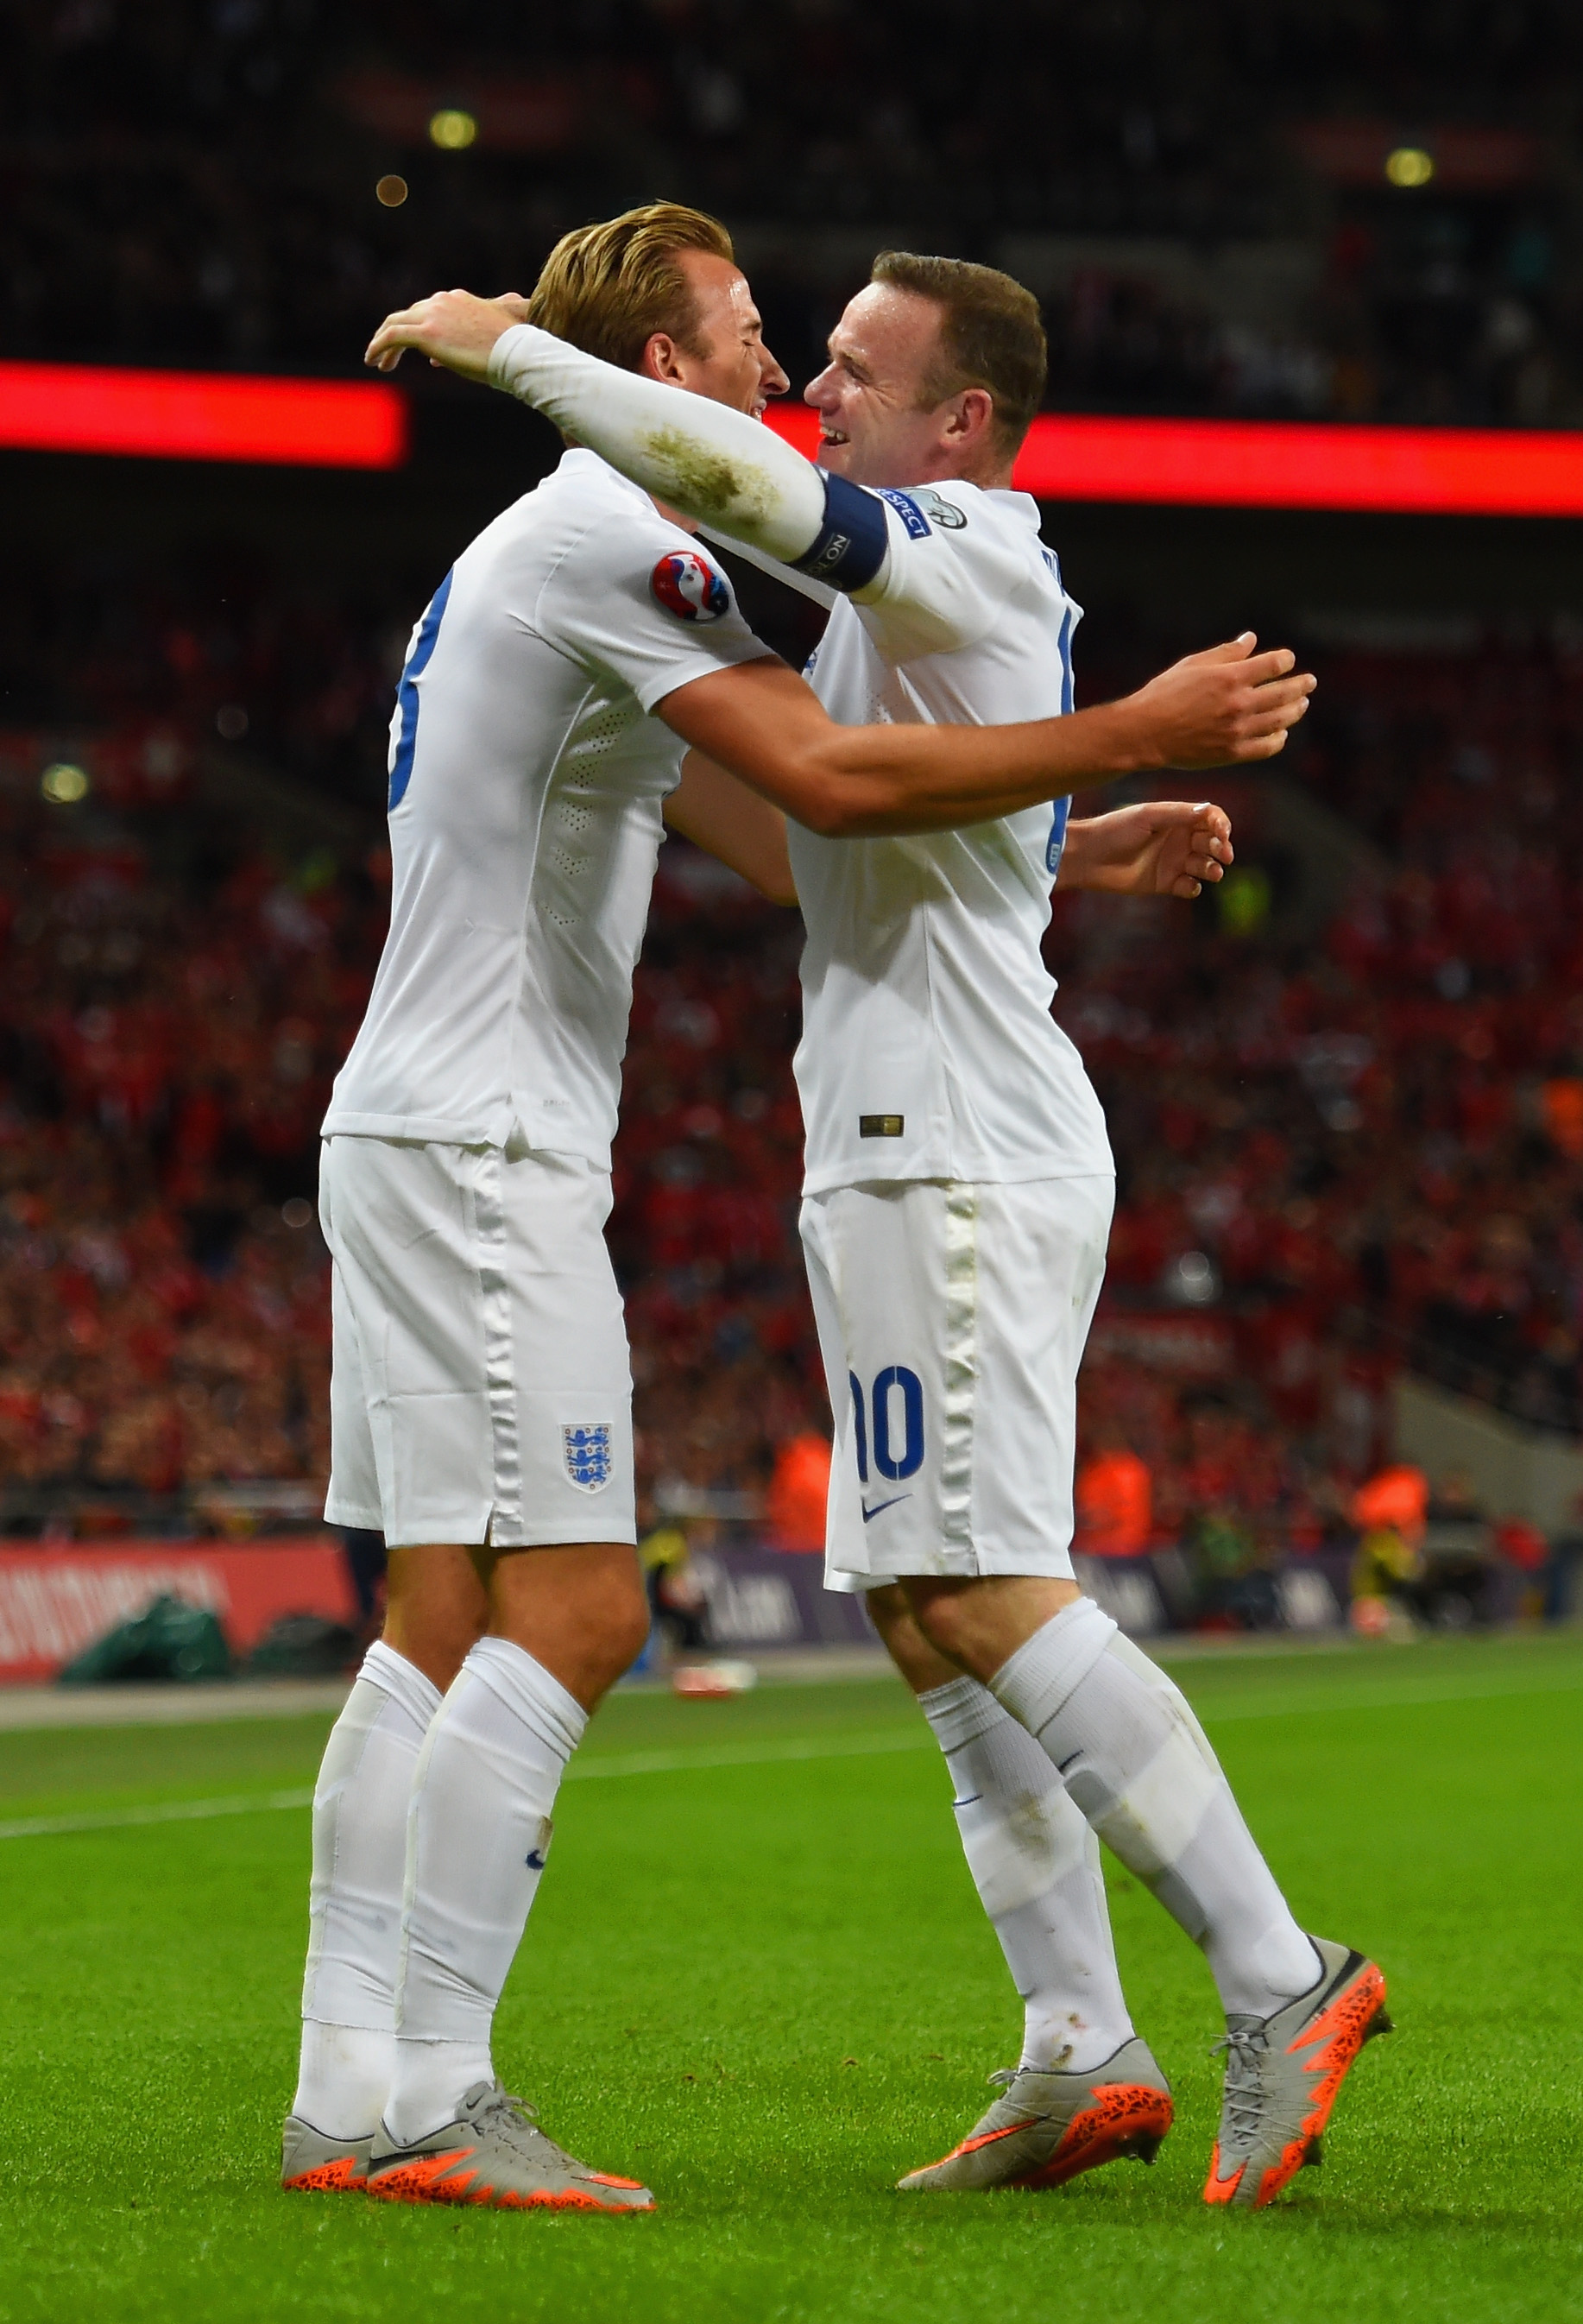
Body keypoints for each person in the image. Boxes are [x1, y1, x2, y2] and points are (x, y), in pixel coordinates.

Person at [287, 205, 1311, 2216]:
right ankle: (428, 2094)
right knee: (583, 1609)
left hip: (409, 1121)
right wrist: (1128, 732)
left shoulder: (538, 551)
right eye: (753, 331)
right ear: (664, 371)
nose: (783, 372)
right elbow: (833, 783)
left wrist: (1068, 850)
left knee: (433, 1619)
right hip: (490, 1141)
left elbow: (767, 836)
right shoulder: (621, 537)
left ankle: (346, 2084)